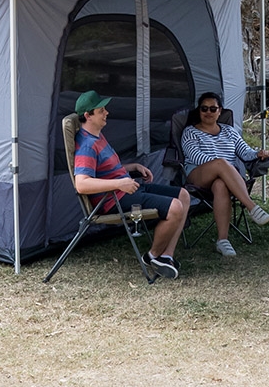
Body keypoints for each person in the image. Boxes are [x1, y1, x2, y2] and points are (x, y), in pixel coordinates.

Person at [72, 89, 189, 279]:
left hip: (126, 189)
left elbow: (104, 169)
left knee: (183, 195)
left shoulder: (97, 136)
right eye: (101, 110)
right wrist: (119, 183)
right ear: (88, 115)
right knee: (175, 207)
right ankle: (151, 256)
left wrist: (131, 167)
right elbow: (82, 184)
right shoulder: (87, 145)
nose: (106, 113)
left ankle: (166, 256)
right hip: (112, 201)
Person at [181, 91, 269, 257]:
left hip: (226, 178)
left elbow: (245, 152)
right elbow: (196, 157)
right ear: (199, 111)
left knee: (220, 184)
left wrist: (258, 153)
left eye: (212, 108)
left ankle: (222, 241)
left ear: (220, 111)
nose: (208, 112)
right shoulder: (190, 132)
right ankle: (251, 207)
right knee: (221, 163)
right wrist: (221, 167)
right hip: (198, 175)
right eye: (204, 109)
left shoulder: (229, 131)